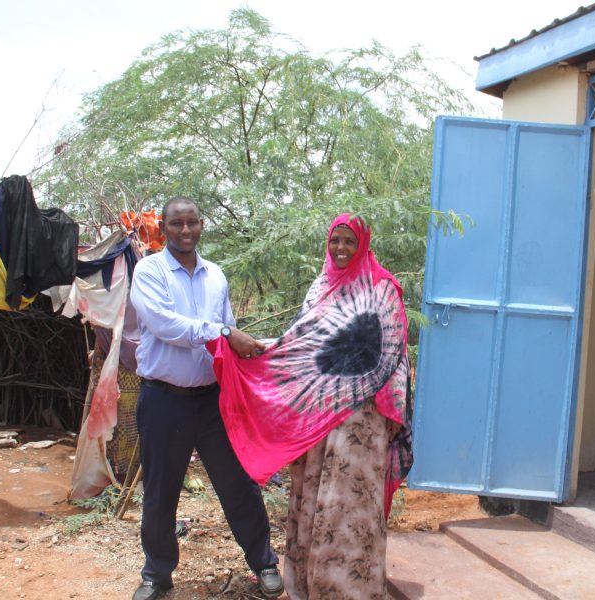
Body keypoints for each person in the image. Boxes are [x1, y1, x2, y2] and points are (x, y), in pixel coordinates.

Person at [207, 213, 413, 600]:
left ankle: (350, 589)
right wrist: (262, 353)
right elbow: (302, 345)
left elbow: (390, 355)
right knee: (315, 497)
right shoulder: (320, 287)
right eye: (335, 240)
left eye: (349, 242)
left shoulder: (381, 288)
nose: (340, 248)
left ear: (363, 244)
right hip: (318, 416)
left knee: (348, 505)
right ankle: (309, 584)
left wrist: (354, 391)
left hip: (359, 424)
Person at [128, 197, 283, 600]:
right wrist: (222, 334)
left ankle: (264, 564)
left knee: (238, 486)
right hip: (164, 400)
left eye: (191, 223)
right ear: (163, 228)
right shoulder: (149, 271)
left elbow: (227, 331)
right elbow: (165, 324)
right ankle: (157, 576)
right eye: (176, 224)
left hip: (214, 402)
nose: (184, 231)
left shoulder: (216, 276)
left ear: (201, 226)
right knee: (161, 491)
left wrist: (257, 348)